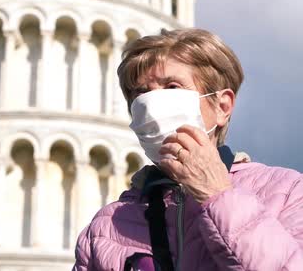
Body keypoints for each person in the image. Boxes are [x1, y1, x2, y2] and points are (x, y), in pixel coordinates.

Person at [72, 29, 303, 271]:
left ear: (222, 106)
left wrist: (217, 194)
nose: (151, 105)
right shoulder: (104, 228)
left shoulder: (287, 192)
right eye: (140, 94)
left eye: (172, 86)